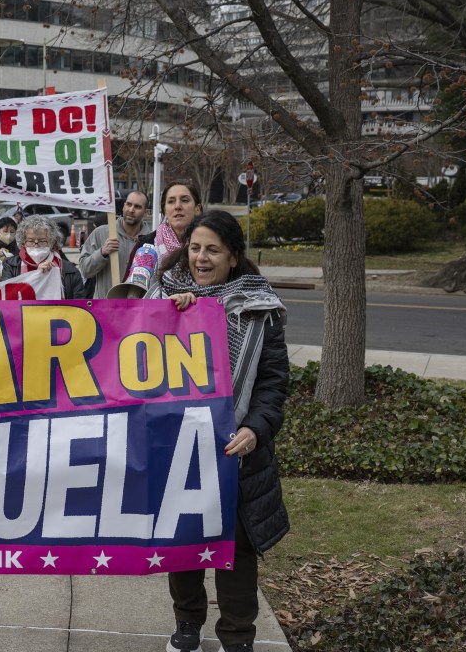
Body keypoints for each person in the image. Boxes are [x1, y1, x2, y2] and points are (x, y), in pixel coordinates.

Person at [146, 210, 289, 652]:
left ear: (233, 257)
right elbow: (131, 362)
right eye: (194, 249)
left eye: (213, 250)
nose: (201, 258)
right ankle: (187, 625)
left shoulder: (260, 309)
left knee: (237, 552)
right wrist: (173, 318)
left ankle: (237, 637)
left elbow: (272, 383)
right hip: (178, 448)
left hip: (237, 453)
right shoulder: (163, 297)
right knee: (184, 542)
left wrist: (255, 429)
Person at [77, 189, 151, 299]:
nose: (131, 210)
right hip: (104, 306)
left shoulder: (151, 240)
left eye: (137, 207)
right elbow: (85, 271)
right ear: (123, 206)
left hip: (138, 307)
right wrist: (102, 253)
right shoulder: (100, 233)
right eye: (129, 204)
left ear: (145, 212)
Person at [0, 214, 86, 299]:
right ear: (23, 242)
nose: (36, 245)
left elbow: (79, 304)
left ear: (52, 242)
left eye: (42, 241)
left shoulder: (70, 271)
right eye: (31, 241)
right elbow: (8, 297)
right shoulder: (10, 265)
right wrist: (36, 276)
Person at [127, 179, 204, 269]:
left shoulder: (210, 242)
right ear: (165, 210)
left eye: (184, 200)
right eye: (171, 201)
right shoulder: (145, 245)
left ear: (197, 209)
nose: (177, 206)